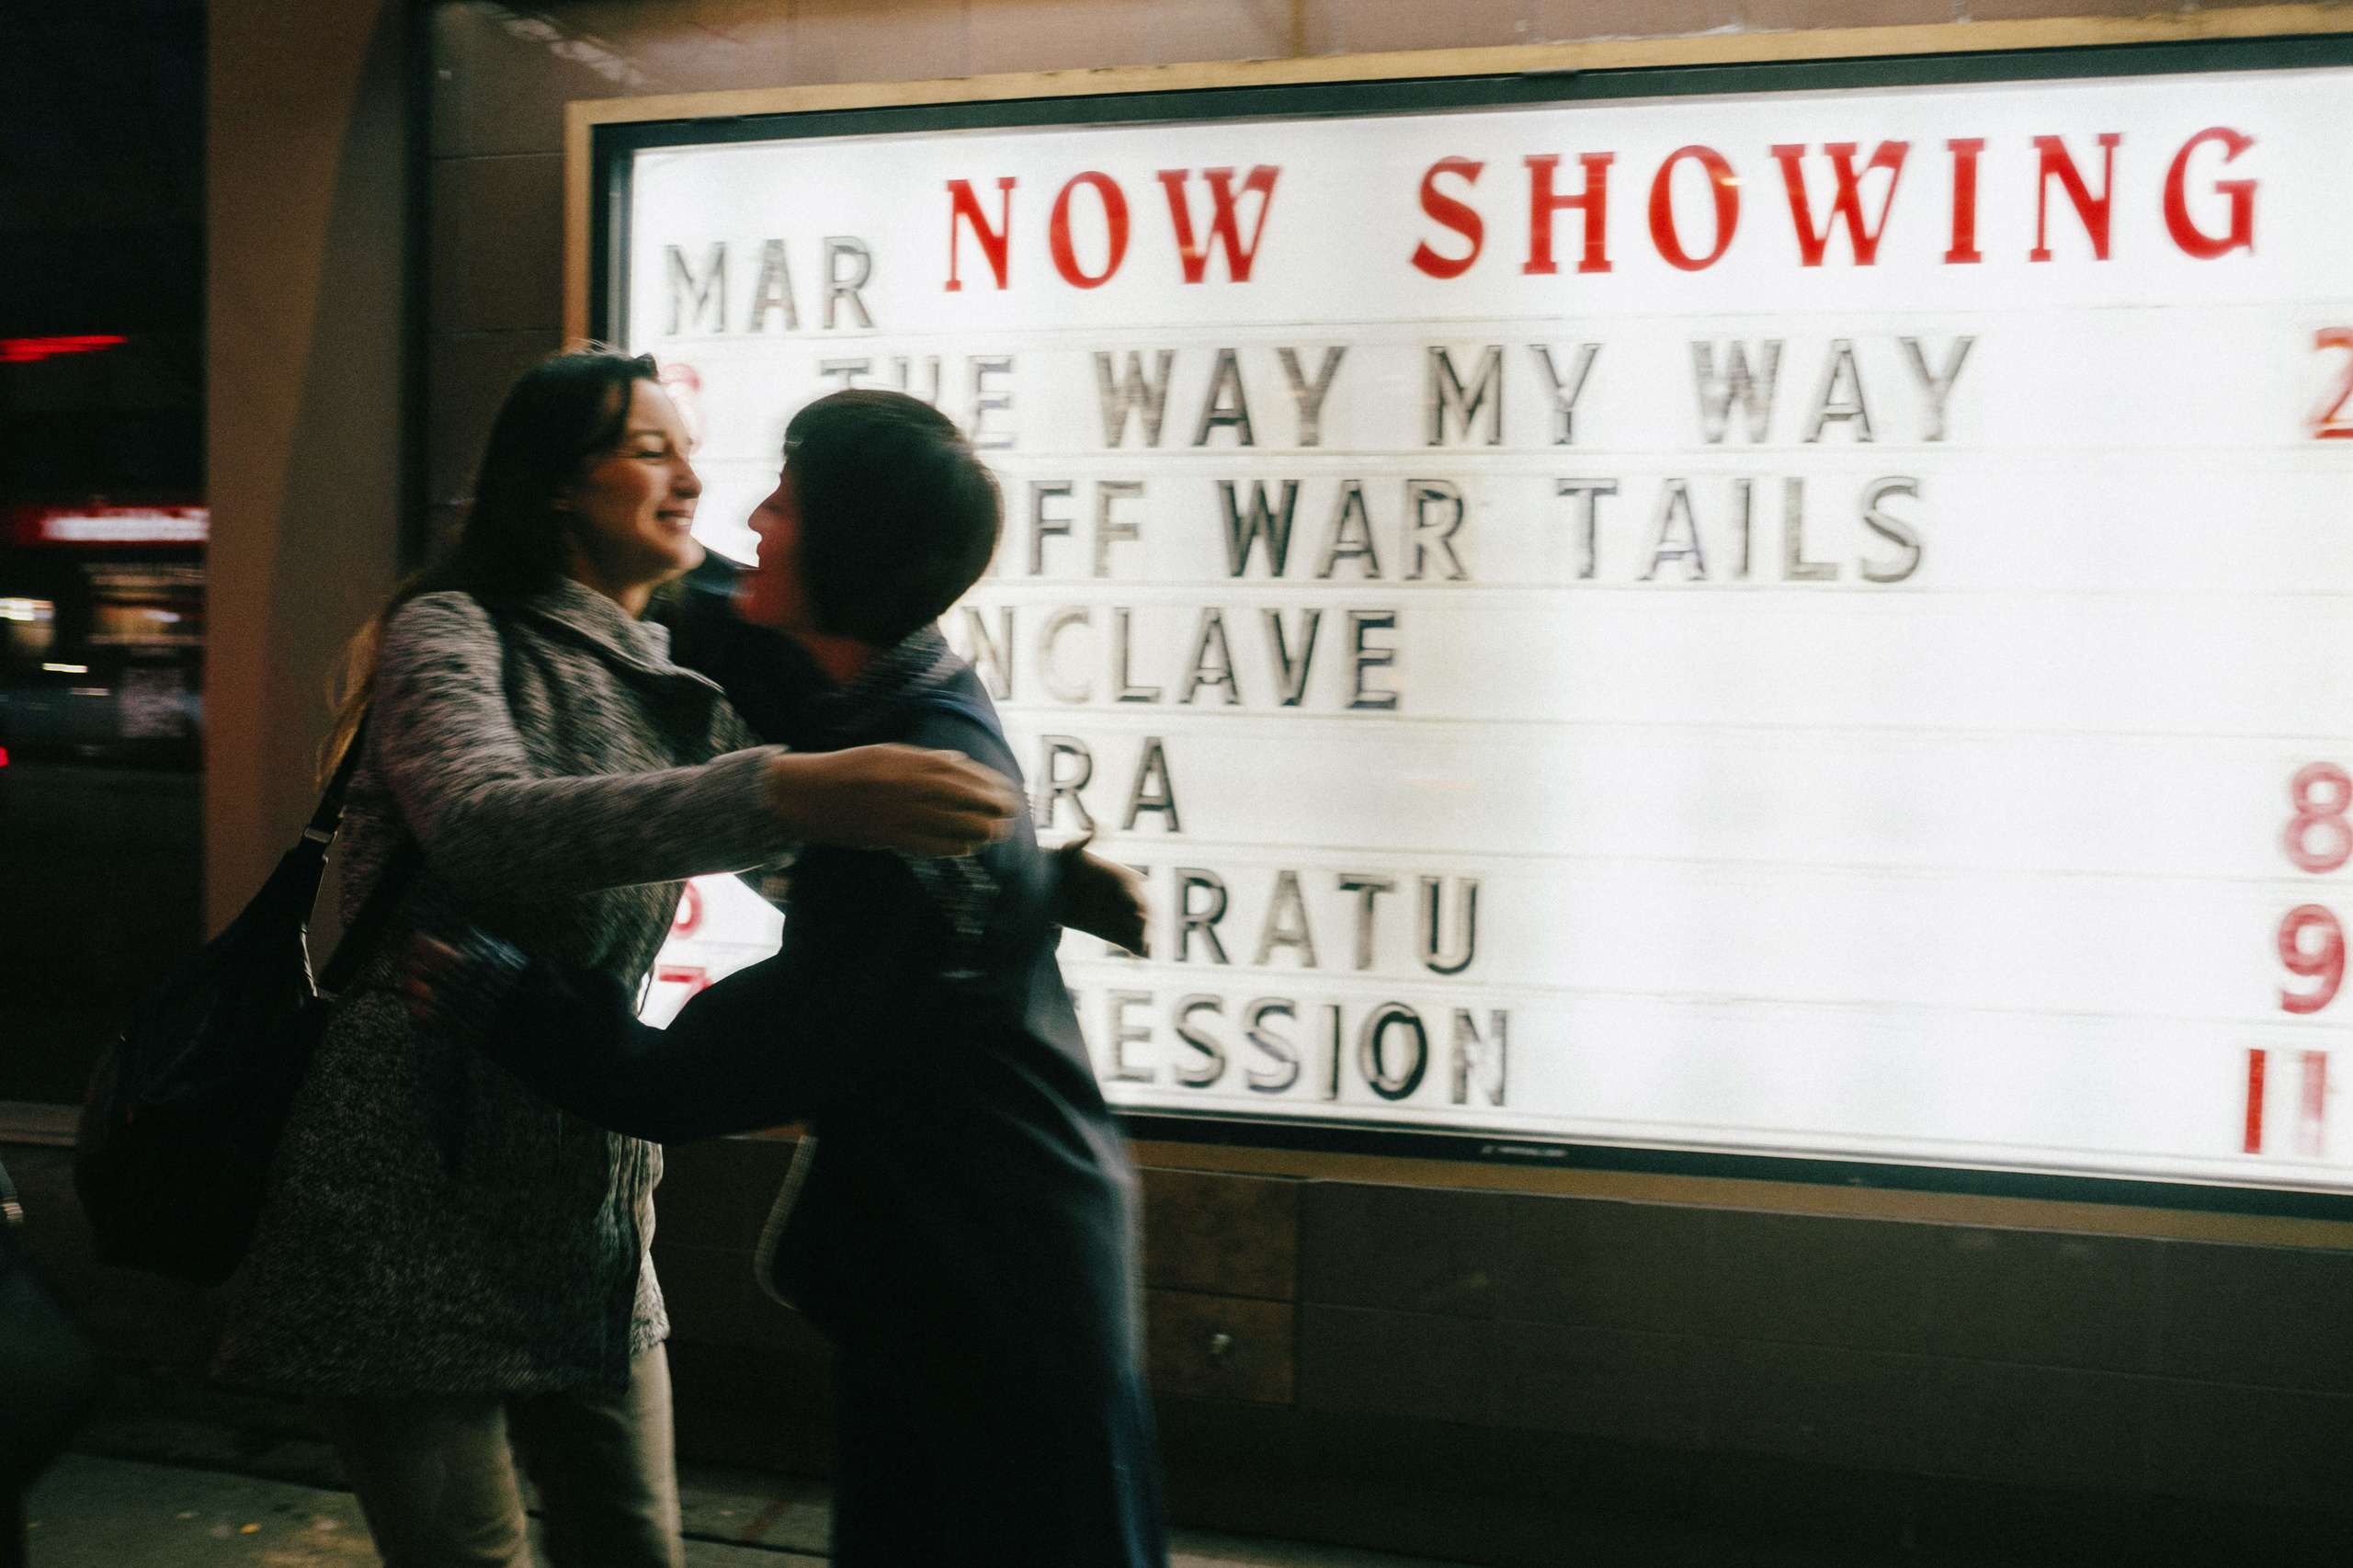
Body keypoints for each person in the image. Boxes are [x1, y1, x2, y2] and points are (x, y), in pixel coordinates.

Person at [211, 351, 1021, 1568]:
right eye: (649, 447)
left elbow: (820, 873)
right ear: (553, 486)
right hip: (403, 1184)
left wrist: (1020, 882)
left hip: (582, 1193)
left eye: (686, 445)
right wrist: (790, 787)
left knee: (638, 1546)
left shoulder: (675, 659)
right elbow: (484, 819)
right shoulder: (452, 627)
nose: (694, 476)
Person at [408, 389, 1165, 1568]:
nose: (739, 508)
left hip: (986, 1277)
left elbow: (742, 1055)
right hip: (982, 1260)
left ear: (851, 549)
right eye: (651, 450)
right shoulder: (881, 690)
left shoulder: (906, 758)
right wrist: (1025, 882)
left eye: (784, 497)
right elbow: (486, 809)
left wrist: (515, 998)